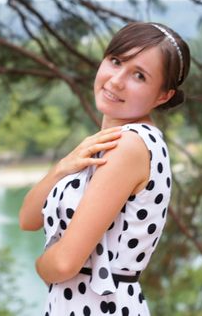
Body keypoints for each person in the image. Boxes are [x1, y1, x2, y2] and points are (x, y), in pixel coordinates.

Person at [19, 21, 190, 315]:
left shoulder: (132, 146)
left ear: (163, 96)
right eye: (116, 61)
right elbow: (27, 219)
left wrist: (40, 265)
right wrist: (63, 167)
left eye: (139, 75)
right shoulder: (103, 145)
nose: (116, 81)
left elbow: (63, 264)